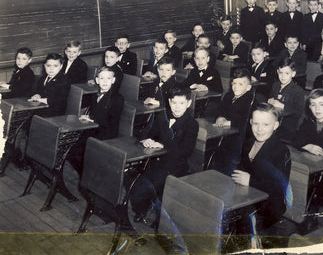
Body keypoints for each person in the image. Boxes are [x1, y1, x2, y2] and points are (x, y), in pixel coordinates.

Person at [130, 88, 199, 226]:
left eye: (181, 103)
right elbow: (147, 132)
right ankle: (143, 209)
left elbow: (185, 151)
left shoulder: (192, 124)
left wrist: (163, 145)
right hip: (155, 163)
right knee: (135, 187)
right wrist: (146, 139)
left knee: (151, 186)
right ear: (169, 102)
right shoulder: (164, 116)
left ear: (189, 103)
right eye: (174, 103)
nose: (177, 107)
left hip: (175, 168)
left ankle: (161, 219)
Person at [231, 103, 291, 234]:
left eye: (265, 125)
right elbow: (242, 167)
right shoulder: (248, 142)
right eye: (256, 123)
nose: (259, 129)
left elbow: (279, 187)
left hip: (269, 206)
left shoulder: (281, 150)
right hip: (248, 196)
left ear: (275, 125)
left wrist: (250, 181)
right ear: (250, 122)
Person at [68, 66, 124, 174]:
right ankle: (86, 175)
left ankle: (88, 176)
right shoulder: (95, 95)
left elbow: (111, 122)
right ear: (97, 80)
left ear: (113, 80)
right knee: (71, 151)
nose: (105, 82)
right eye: (101, 78)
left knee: (80, 152)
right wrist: (88, 117)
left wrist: (91, 119)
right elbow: (94, 113)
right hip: (94, 130)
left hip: (106, 134)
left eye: (108, 78)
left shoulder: (117, 98)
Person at [212, 68, 255, 175]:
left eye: (240, 84)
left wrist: (228, 122)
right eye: (234, 83)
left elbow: (244, 119)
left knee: (229, 161)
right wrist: (220, 117)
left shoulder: (250, 100)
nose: (236, 87)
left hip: (238, 138)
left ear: (248, 87)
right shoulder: (228, 96)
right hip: (224, 133)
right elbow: (220, 109)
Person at [268, 58, 306, 140]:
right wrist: (269, 102)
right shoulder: (275, 85)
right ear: (277, 72)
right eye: (280, 73)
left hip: (287, 125)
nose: (283, 76)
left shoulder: (298, 90)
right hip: (274, 120)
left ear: (293, 74)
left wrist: (283, 106)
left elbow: (299, 112)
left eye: (287, 73)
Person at [30, 53, 70, 117]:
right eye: (48, 65)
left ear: (61, 66)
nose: (51, 68)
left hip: (55, 112)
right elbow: (39, 90)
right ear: (44, 66)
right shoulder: (43, 78)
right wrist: (37, 95)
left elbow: (57, 100)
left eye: (55, 66)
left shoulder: (63, 80)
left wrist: (39, 100)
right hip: (41, 108)